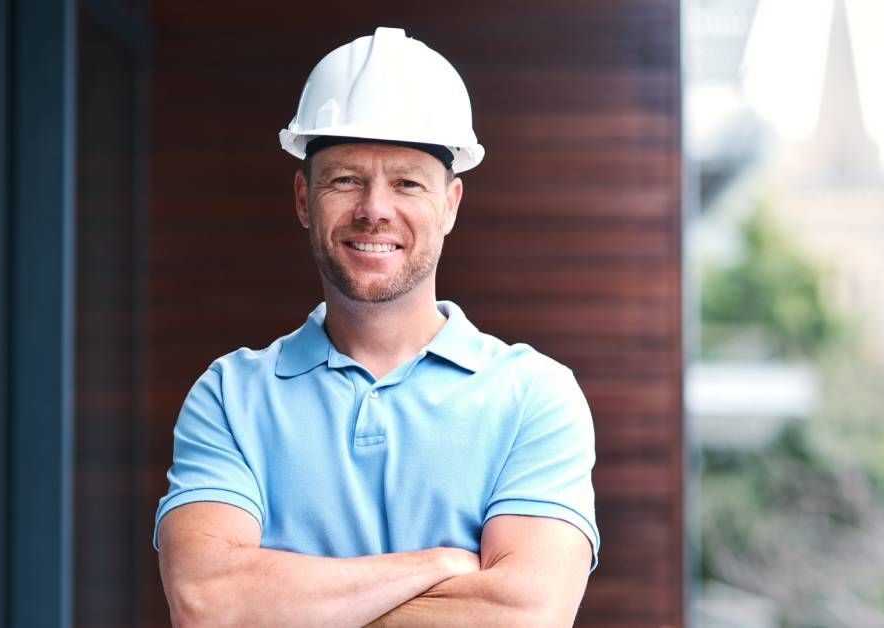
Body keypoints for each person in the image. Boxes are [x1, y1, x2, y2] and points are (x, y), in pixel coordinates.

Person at [154, 27, 599, 627]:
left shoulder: (534, 396)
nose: (375, 209)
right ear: (303, 199)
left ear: (451, 204)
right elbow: (208, 605)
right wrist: (438, 564)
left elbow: (524, 614)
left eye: (408, 182)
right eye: (345, 179)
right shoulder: (229, 396)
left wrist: (292, 605)